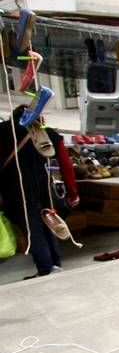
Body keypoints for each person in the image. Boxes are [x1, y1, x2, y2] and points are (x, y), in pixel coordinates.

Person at [0, 106, 79, 279]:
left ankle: (45, 268)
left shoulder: (3, 131)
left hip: (15, 190)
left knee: (32, 228)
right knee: (49, 222)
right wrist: (73, 192)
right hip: (44, 188)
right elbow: (66, 165)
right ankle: (55, 264)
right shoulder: (48, 133)